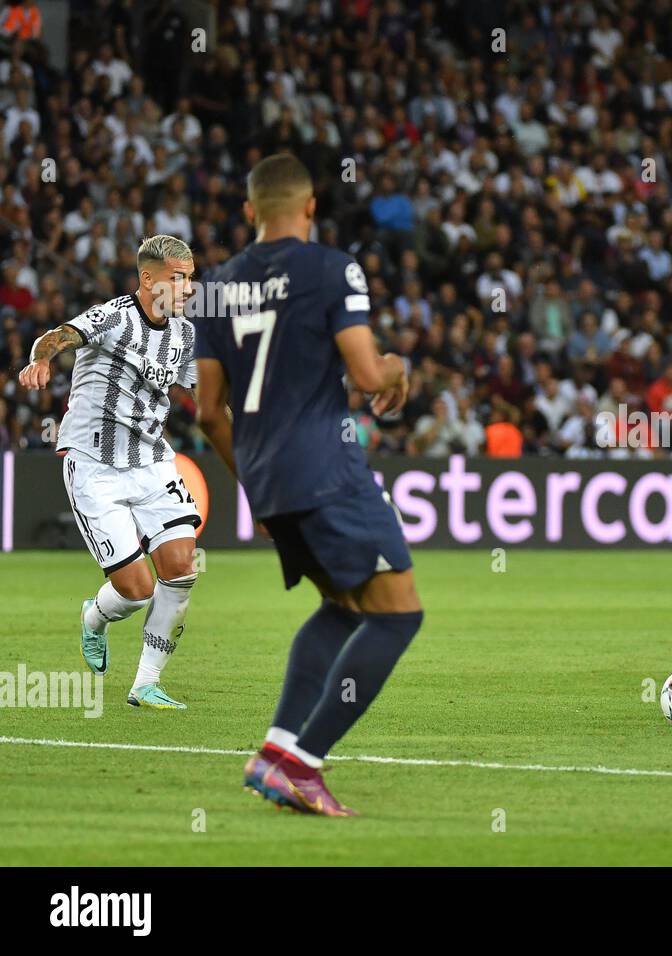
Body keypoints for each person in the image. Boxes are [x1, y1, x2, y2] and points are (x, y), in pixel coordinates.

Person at [195, 154, 423, 816]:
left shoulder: (215, 285)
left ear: (249, 212)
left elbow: (209, 412)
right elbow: (368, 375)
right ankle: (303, 761)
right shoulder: (330, 267)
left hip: (267, 475)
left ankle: (275, 751)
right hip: (326, 466)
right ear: (312, 206)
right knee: (399, 612)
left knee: (346, 608)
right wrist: (400, 366)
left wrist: (256, 490)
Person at [18, 235, 201, 709]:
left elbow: (208, 397)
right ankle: (94, 617)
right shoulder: (113, 316)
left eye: (190, 277)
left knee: (181, 567)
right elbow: (57, 336)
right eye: (177, 278)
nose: (187, 287)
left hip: (152, 463)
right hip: (95, 466)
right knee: (136, 590)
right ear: (147, 279)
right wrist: (41, 357)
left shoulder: (183, 336)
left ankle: (145, 683)